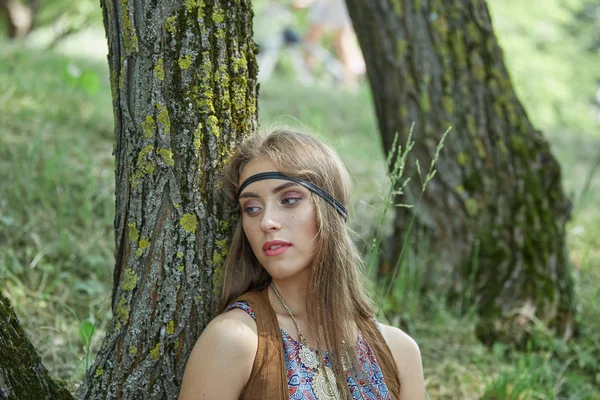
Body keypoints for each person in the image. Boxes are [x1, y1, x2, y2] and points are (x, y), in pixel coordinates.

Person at [179, 129, 425, 399]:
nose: (266, 222)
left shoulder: (399, 352)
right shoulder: (235, 340)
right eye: (251, 208)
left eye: (288, 200)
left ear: (330, 210)